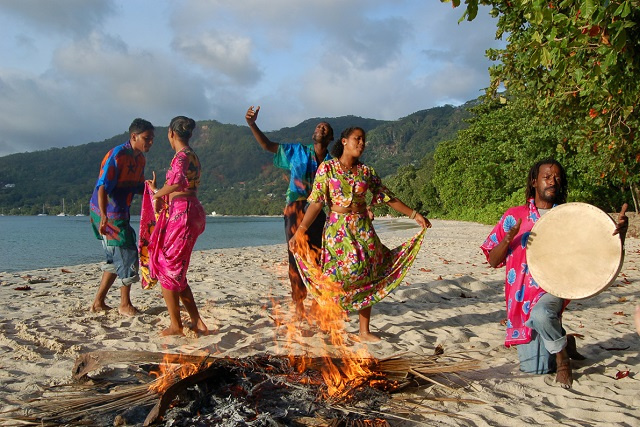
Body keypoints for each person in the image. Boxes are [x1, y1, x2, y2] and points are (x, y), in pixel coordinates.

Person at [481, 158, 628, 388]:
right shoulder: (514, 215)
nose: (552, 181)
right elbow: (492, 260)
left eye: (557, 177)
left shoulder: (569, 216)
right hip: (520, 298)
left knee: (541, 316)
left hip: (553, 288)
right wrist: (508, 239)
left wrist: (620, 233)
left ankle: (562, 361)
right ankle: (565, 341)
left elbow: (598, 249)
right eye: (547, 177)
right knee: (536, 369)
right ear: (534, 182)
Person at [288, 127, 431, 342]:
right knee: (335, 275)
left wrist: (414, 214)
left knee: (369, 274)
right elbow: (317, 203)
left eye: (364, 140)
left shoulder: (366, 172)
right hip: (338, 229)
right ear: (344, 141)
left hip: (363, 227)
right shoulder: (327, 168)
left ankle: (364, 331)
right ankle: (324, 320)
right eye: (358, 139)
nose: (362, 143)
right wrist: (300, 231)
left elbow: (387, 197)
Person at [245, 105, 334, 318]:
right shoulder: (298, 151)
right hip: (295, 208)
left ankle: (319, 301)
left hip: (318, 210)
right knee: (296, 255)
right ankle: (299, 305)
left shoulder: (332, 163)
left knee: (319, 256)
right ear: (313, 135)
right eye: (318, 126)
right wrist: (252, 124)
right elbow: (267, 145)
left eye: (325, 127)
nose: (321, 128)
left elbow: (336, 192)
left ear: (330, 137)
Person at [145, 116, 208, 336]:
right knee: (176, 270)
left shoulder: (181, 156)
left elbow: (178, 182)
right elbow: (178, 183)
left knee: (168, 268)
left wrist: (156, 193)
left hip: (184, 213)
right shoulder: (191, 155)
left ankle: (176, 325)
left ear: (171, 133)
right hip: (191, 210)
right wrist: (161, 190)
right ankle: (197, 321)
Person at [90, 118, 155, 316]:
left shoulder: (140, 159)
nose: (150, 142)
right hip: (108, 213)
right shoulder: (117, 155)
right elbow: (103, 187)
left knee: (113, 258)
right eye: (146, 138)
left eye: (152, 139)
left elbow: (133, 186)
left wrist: (148, 187)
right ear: (133, 136)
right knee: (127, 254)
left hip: (120, 212)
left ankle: (98, 302)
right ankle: (124, 304)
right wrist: (103, 217)